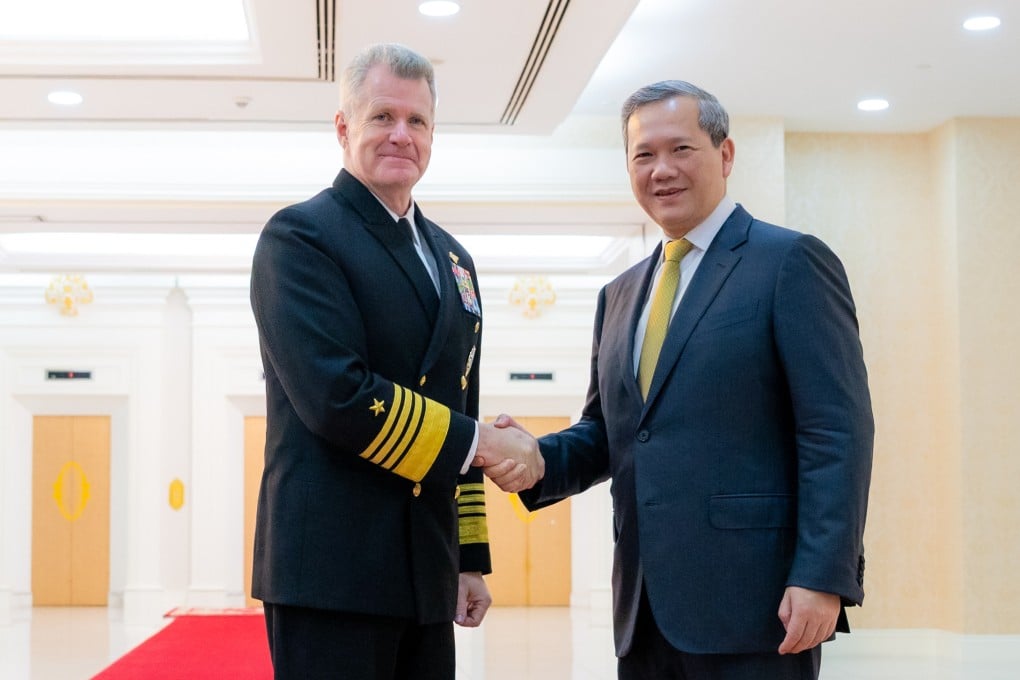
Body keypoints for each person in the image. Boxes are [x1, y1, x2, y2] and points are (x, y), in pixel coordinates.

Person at [493, 80, 874, 679]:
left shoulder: (789, 263)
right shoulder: (618, 296)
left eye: (681, 149)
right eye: (643, 155)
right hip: (643, 609)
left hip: (756, 605)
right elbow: (610, 434)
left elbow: (836, 431)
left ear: (725, 154)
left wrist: (823, 575)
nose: (661, 170)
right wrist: (536, 459)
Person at [249, 42, 541, 680]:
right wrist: (484, 442)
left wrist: (468, 557)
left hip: (424, 569)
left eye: (417, 121)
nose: (401, 135)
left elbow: (459, 401)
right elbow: (338, 397)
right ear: (343, 126)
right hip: (330, 571)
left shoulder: (454, 260)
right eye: (382, 116)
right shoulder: (300, 238)